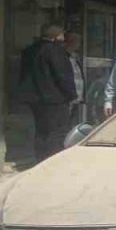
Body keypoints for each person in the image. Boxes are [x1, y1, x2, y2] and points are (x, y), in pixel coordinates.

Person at [17, 24, 77, 161]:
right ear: (56, 36)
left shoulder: (29, 50)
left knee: (41, 131)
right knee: (56, 132)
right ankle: (52, 161)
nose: (63, 38)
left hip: (34, 99)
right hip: (54, 99)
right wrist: (71, 94)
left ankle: (40, 159)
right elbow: (62, 75)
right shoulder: (55, 50)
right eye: (62, 35)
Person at [64, 32, 85, 122]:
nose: (79, 44)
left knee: (72, 120)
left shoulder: (75, 56)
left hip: (77, 94)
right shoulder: (63, 56)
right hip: (69, 95)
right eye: (78, 42)